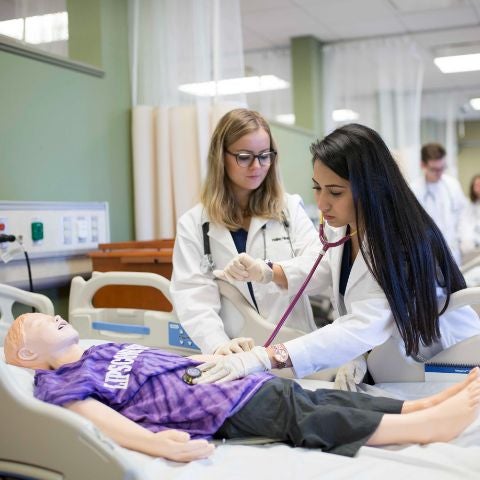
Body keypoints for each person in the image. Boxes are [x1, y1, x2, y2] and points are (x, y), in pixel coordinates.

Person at [194, 123, 480, 385]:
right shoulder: (347, 227)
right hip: (400, 361)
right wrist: (269, 272)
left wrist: (264, 357)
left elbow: (366, 322)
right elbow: (328, 270)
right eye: (317, 188)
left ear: (370, 188)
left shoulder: (399, 244)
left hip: (450, 361)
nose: (322, 203)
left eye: (335, 192)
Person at [4, 312, 480, 463]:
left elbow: (169, 361)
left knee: (319, 397)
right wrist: (153, 443)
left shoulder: (100, 350)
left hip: (235, 384)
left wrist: (222, 356)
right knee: (311, 419)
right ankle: (432, 427)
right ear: (27, 357)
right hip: (220, 413)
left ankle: (419, 407)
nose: (55, 315)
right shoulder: (60, 381)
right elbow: (95, 418)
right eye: (38, 322)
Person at [170, 108, 320, 355]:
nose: (257, 166)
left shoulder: (289, 209)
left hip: (294, 350)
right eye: (244, 156)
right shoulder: (194, 223)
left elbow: (318, 266)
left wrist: (268, 271)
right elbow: (193, 298)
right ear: (221, 157)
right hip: (236, 353)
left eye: (264, 155)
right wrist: (218, 345)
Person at [410, 142, 468, 264]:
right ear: (423, 165)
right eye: (434, 169)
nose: (439, 173)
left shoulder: (452, 185)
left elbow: (463, 214)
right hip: (428, 255)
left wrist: (463, 240)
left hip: (453, 252)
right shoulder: (413, 190)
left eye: (442, 168)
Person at [459, 174, 480, 256]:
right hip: (472, 247)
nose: (479, 187)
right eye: (477, 185)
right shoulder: (468, 205)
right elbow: (465, 224)